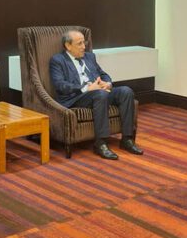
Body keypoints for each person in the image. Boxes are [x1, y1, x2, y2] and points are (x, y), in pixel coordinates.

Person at [50, 30, 143, 160]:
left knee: (126, 91)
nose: (84, 47)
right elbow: (60, 85)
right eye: (79, 43)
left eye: (84, 42)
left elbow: (103, 74)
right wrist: (86, 88)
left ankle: (127, 139)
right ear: (68, 45)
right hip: (76, 97)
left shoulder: (89, 57)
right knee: (100, 94)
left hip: (98, 92)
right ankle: (101, 143)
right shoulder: (58, 60)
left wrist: (107, 83)